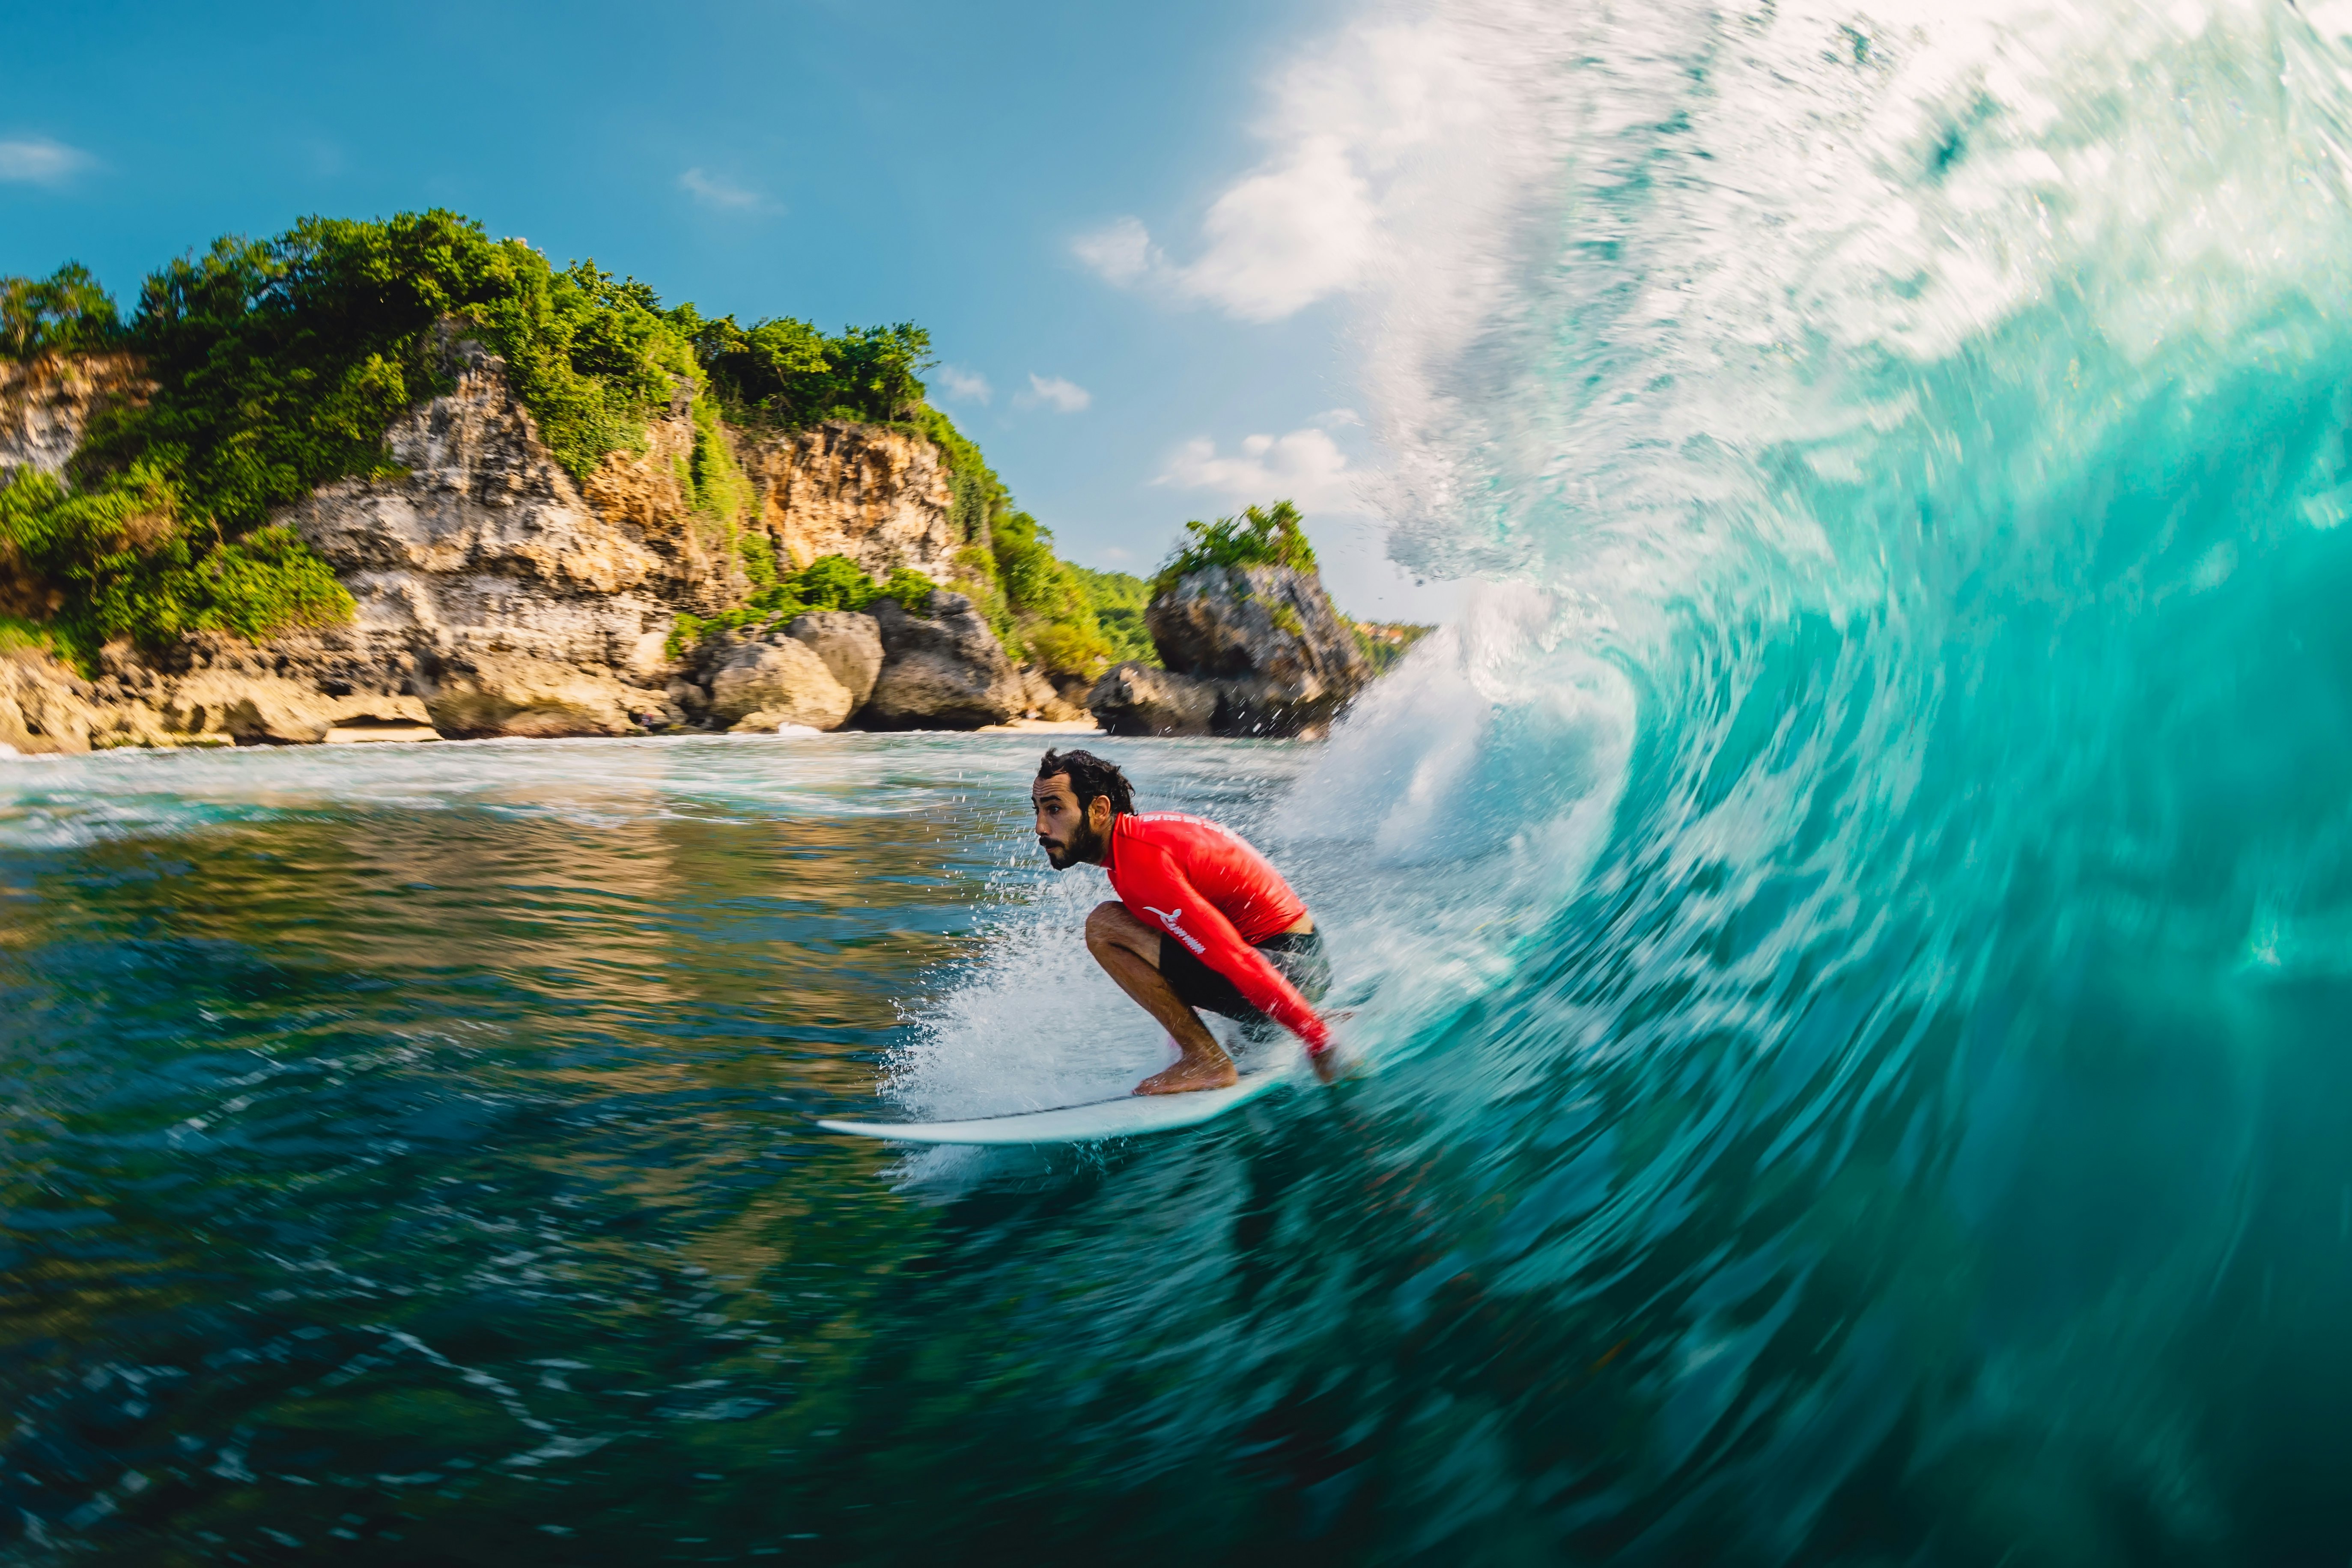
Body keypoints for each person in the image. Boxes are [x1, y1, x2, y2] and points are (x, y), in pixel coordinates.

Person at [1030, 747, 1338, 1095]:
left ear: (1099, 810)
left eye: (1054, 810)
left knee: (1105, 926)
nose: (1040, 827)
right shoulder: (1136, 846)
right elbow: (1186, 946)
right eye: (1038, 810)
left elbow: (1234, 958)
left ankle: (1207, 1061)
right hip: (1304, 965)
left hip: (1289, 968)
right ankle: (1233, 1040)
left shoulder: (1144, 864)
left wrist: (1318, 1041)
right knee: (1119, 923)